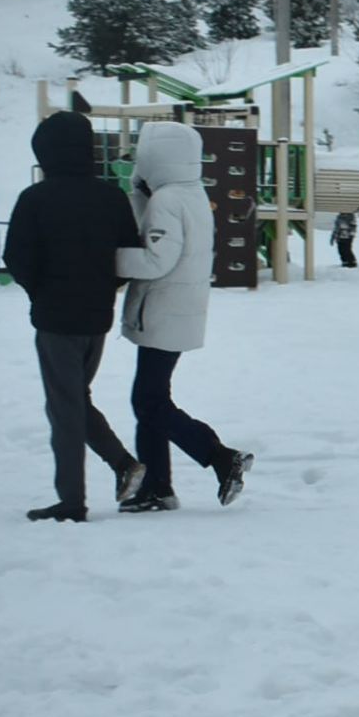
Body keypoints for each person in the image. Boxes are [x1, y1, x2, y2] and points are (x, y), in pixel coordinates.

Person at [2, 113, 144, 523]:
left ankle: (73, 501)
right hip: (96, 316)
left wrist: (40, 291)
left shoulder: (35, 198)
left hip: (55, 318)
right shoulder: (111, 197)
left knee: (64, 407)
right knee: (74, 400)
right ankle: (122, 465)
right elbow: (127, 256)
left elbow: (17, 257)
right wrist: (102, 287)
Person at [113, 122, 253, 513]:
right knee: (150, 400)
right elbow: (159, 234)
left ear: (157, 156)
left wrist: (109, 259)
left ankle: (220, 457)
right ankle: (158, 487)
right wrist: (140, 194)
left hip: (163, 311)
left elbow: (156, 258)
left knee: (150, 402)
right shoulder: (188, 194)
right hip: (177, 310)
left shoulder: (168, 200)